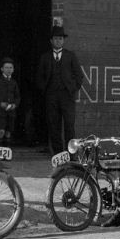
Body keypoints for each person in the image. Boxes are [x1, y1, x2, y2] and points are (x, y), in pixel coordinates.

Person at [35, 25, 85, 155]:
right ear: (51, 40)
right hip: (51, 96)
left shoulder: (70, 55)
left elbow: (79, 75)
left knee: (69, 125)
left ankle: (71, 154)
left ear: (63, 41)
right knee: (53, 125)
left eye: (61, 39)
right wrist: (44, 89)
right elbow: (39, 76)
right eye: (56, 39)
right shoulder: (45, 57)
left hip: (67, 96)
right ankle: (58, 155)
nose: (58, 41)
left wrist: (72, 88)